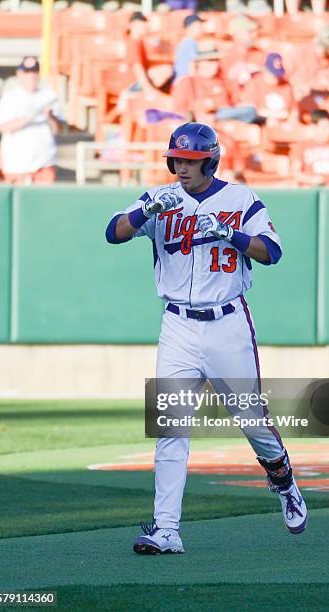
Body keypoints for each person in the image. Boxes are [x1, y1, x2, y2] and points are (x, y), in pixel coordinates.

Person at [105, 122, 308, 555]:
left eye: (191, 161)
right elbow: (114, 232)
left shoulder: (241, 199)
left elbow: (271, 252)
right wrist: (145, 211)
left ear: (211, 160)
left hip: (227, 322)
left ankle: (283, 479)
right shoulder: (161, 198)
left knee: (252, 421)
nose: (182, 168)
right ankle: (166, 530)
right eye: (176, 160)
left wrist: (230, 234)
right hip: (177, 324)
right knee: (170, 427)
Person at [0, 56, 63, 185]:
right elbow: (2, 128)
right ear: (19, 74)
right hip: (16, 165)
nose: (31, 76)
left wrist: (50, 116)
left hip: (44, 164)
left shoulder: (49, 96)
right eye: (27, 72)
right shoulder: (9, 98)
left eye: (34, 72)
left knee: (44, 203)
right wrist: (27, 117)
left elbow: (59, 129)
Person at [240, 53, 297, 124]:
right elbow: (247, 112)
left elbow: (294, 112)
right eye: (272, 74)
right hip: (260, 124)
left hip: (282, 127)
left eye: (278, 75)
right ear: (265, 70)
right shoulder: (255, 83)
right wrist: (265, 120)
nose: (276, 78)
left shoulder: (286, 86)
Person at [173, 14, 205, 83]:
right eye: (199, 26)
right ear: (191, 27)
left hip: (182, 82)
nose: (201, 29)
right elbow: (192, 68)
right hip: (185, 83)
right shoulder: (190, 42)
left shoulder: (186, 41)